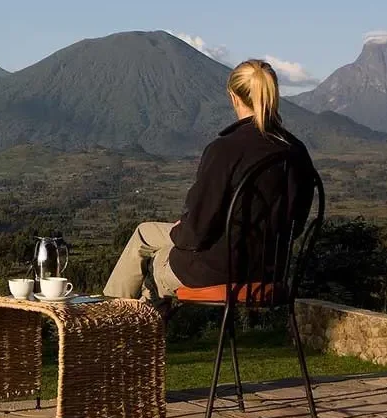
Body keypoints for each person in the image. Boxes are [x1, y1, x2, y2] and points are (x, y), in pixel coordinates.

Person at [103, 59, 316, 301]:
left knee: (158, 256)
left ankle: (112, 321)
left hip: (219, 270)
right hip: (270, 269)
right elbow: (295, 224)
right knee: (146, 234)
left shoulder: (225, 149)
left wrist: (181, 233)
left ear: (234, 97)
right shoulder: (296, 151)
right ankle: (125, 318)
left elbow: (197, 231)